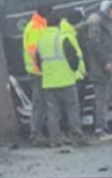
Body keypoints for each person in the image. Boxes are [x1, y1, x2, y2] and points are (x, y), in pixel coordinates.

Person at [35, 10, 86, 147]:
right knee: (72, 109)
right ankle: (76, 135)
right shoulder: (63, 39)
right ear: (59, 24)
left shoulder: (41, 41)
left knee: (53, 112)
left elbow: (38, 62)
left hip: (49, 82)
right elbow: (73, 59)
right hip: (66, 80)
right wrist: (74, 71)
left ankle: (55, 138)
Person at [81, 0, 112, 138]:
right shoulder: (97, 24)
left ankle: (103, 126)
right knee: (101, 98)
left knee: (108, 98)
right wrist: (106, 61)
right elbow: (94, 45)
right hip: (102, 68)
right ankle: (100, 128)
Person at [23, 5, 52, 144]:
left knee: (43, 102)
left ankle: (40, 132)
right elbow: (34, 51)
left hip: (41, 71)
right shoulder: (35, 27)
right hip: (37, 72)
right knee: (39, 103)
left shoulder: (40, 25)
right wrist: (41, 67)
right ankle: (36, 133)